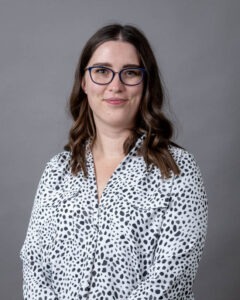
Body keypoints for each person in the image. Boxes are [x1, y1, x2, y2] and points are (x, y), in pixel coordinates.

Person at [20, 24, 208, 300]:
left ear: (145, 84)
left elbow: (171, 275)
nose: (115, 85)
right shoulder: (58, 170)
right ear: (84, 82)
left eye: (130, 73)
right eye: (102, 71)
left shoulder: (177, 169)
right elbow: (34, 264)